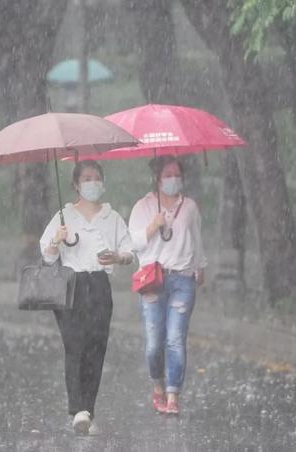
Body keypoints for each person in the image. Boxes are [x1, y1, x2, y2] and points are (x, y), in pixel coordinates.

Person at [39, 159, 133, 435]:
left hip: (100, 285)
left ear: (102, 183)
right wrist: (57, 239)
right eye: (86, 178)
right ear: (77, 185)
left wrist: (117, 256)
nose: (92, 183)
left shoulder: (112, 217)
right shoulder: (64, 215)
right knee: (74, 344)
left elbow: (129, 252)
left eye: (96, 178)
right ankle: (76, 406)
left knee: (96, 345)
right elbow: (47, 255)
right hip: (71, 284)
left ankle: (87, 408)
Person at [128, 155, 207, 415]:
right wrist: (153, 226)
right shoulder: (143, 207)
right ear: (157, 178)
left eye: (177, 174)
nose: (173, 179)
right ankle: (158, 385)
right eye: (168, 174)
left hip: (183, 279)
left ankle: (173, 394)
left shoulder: (190, 207)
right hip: (153, 281)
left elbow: (197, 239)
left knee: (175, 339)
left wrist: (200, 266)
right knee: (154, 344)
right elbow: (134, 244)